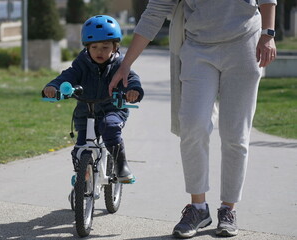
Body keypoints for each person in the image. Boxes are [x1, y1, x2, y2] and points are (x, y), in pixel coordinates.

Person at [108, 0, 276, 238]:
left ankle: (228, 210)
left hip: (244, 44)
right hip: (198, 47)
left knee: (235, 134)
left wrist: (268, 34)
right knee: (192, 126)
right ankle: (198, 209)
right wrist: (126, 65)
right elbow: (154, 12)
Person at [43, 15, 144, 184]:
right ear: (87, 47)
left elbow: (131, 78)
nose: (99, 51)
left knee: (110, 127)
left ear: (115, 46)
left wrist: (133, 90)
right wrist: (53, 87)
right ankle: (84, 176)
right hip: (86, 113)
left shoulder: (119, 65)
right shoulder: (81, 64)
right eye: (94, 47)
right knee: (80, 150)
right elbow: (67, 76)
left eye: (105, 47)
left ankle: (121, 164)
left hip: (112, 110)